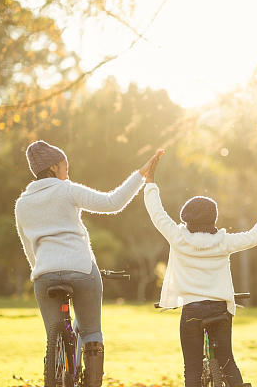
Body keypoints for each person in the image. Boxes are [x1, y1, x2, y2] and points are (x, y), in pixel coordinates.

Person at [14, 140, 161, 387]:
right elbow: (112, 202)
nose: (67, 170)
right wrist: (141, 175)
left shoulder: (22, 203)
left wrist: (40, 272)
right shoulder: (67, 190)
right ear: (53, 167)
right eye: (65, 165)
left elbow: (29, 247)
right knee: (91, 331)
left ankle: (55, 361)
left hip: (44, 274)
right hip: (81, 269)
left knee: (53, 334)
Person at [143, 153, 257, 387]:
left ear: (186, 219)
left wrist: (150, 183)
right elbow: (255, 235)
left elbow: (157, 213)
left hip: (192, 310)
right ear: (214, 218)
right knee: (228, 363)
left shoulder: (178, 237)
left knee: (192, 370)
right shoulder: (223, 241)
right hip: (219, 308)